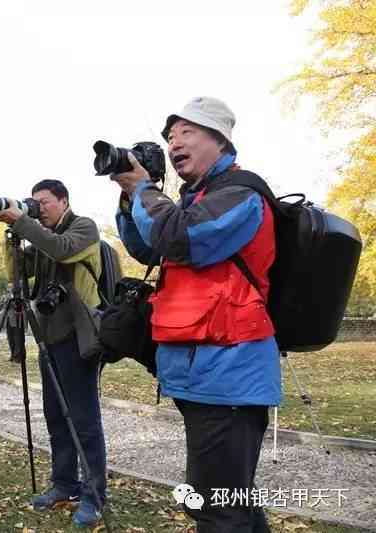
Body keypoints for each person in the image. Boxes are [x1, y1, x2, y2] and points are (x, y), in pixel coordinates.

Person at [111, 96, 281, 532]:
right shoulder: (198, 198)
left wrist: (145, 190)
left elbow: (178, 237)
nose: (173, 142)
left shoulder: (240, 194)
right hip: (206, 374)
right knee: (230, 503)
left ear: (220, 140)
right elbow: (148, 247)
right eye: (170, 136)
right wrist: (130, 197)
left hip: (228, 376)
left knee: (216, 508)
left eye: (187, 132)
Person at [0, 179, 106, 528]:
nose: (39, 208)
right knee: (56, 417)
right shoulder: (39, 235)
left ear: (64, 201)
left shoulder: (84, 227)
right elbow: (17, 273)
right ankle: (64, 485)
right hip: (48, 337)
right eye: (34, 203)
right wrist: (10, 236)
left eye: (44, 202)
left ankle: (94, 496)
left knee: (83, 421)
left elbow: (62, 250)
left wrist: (23, 223)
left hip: (78, 337)